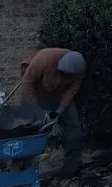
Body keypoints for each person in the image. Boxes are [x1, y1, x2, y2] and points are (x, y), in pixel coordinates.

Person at [19, 48, 86, 176]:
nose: (66, 77)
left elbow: (72, 90)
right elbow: (27, 84)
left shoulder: (79, 69)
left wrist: (60, 110)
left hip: (59, 94)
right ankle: (23, 172)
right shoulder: (43, 59)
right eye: (63, 73)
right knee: (30, 130)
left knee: (73, 129)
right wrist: (36, 111)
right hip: (36, 93)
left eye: (69, 75)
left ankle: (71, 168)